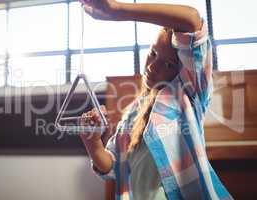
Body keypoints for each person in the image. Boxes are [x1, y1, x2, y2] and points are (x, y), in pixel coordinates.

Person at [79, 1, 233, 199]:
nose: (152, 66)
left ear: (183, 70)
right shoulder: (133, 112)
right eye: (152, 53)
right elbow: (112, 166)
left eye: (168, 64)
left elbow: (192, 20)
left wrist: (116, 10)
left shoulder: (187, 94)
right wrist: (93, 144)